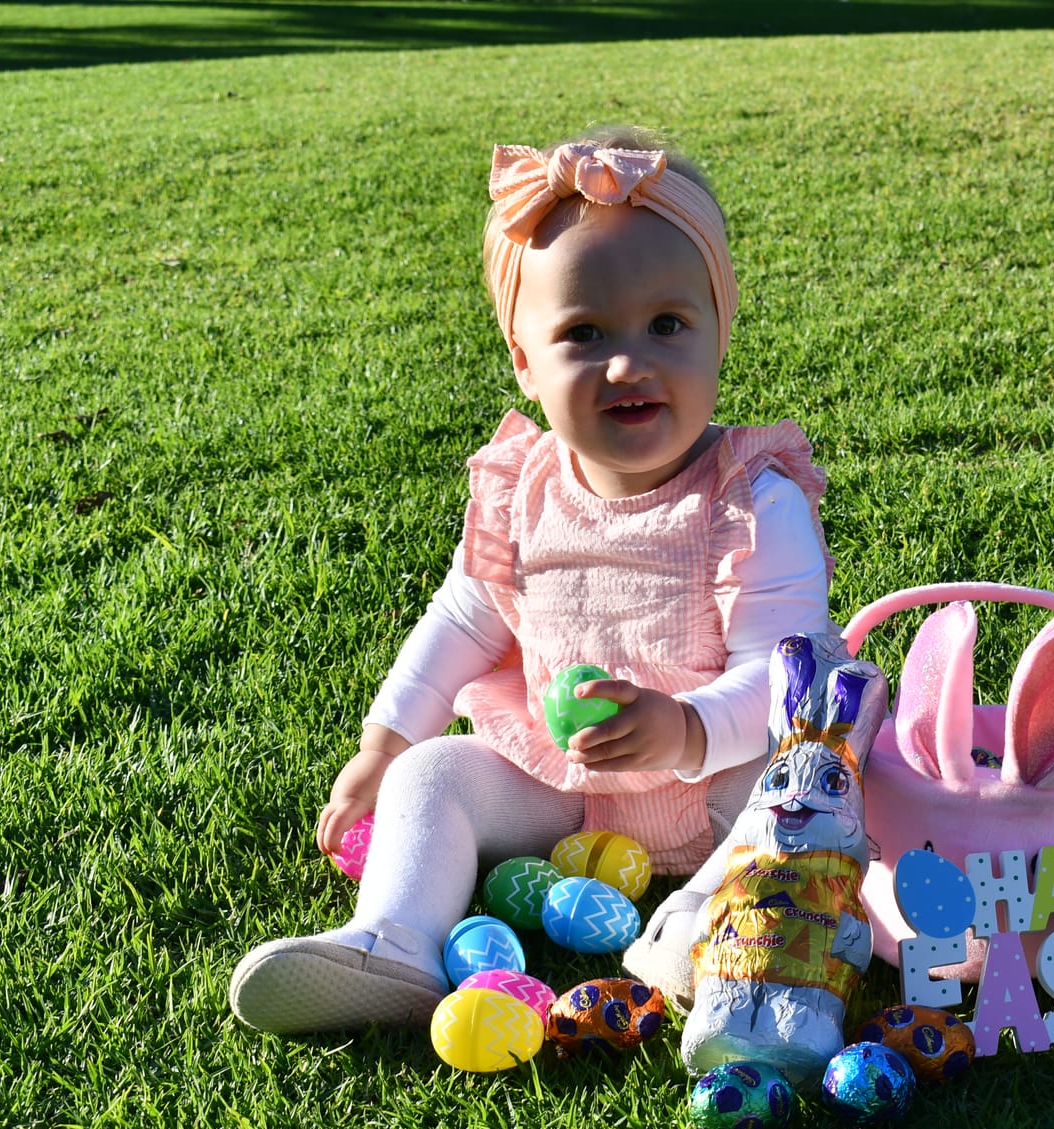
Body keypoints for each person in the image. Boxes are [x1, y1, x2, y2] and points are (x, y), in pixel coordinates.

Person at [229, 129, 834, 1034]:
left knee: (806, 790)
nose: (629, 362)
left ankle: (702, 925)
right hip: (567, 787)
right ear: (523, 358)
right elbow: (461, 620)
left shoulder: (754, 501)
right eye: (584, 334)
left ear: (720, 326)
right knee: (435, 775)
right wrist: (384, 747)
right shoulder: (525, 491)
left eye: (668, 324)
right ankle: (392, 938)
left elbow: (783, 678)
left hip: (723, 776)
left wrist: (682, 725)